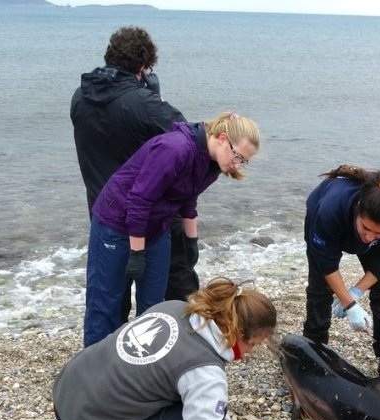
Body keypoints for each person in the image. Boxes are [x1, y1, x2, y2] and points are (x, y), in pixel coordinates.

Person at [53, 277, 278, 420]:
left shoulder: (174, 307)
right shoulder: (206, 374)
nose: (251, 352)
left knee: (191, 401)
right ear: (235, 332)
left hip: (65, 400)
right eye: (254, 344)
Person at [83, 111, 259, 347]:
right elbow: (139, 199)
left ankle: (144, 365)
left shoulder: (213, 163)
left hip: (157, 227)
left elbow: (188, 197)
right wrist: (137, 253)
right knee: (106, 303)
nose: (236, 165)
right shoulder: (174, 149)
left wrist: (191, 241)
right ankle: (94, 370)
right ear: (221, 138)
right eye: (237, 156)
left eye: (243, 161)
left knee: (154, 305)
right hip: (116, 223)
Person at [70, 25, 197, 315]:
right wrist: (155, 98)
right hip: (153, 218)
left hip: (103, 213)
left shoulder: (80, 96)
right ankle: (175, 353)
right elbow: (188, 144)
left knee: (110, 300)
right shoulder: (145, 104)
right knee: (171, 294)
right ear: (143, 66)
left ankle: (111, 355)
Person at [302, 165, 380, 375]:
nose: (369, 237)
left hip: (367, 232)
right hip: (327, 221)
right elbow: (326, 264)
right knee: (319, 288)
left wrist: (356, 292)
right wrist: (349, 304)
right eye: (366, 228)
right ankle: (314, 348)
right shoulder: (330, 209)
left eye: (379, 233)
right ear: (358, 208)